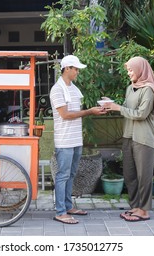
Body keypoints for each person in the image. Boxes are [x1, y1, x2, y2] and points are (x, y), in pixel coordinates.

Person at [102, 56, 154, 222]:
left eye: (131, 70)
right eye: (128, 70)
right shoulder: (130, 88)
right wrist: (111, 105)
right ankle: (135, 206)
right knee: (130, 175)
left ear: (140, 69)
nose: (129, 73)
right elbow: (128, 109)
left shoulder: (148, 90)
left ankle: (144, 210)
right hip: (128, 136)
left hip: (144, 138)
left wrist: (117, 108)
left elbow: (141, 114)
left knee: (144, 176)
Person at [50, 54, 106, 224]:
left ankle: (68, 206)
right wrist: (90, 111)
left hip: (75, 139)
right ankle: (60, 211)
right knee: (63, 175)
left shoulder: (74, 88)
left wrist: (99, 108)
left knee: (71, 174)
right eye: (75, 69)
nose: (77, 72)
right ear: (67, 69)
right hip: (64, 140)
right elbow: (65, 115)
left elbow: (75, 111)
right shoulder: (57, 89)